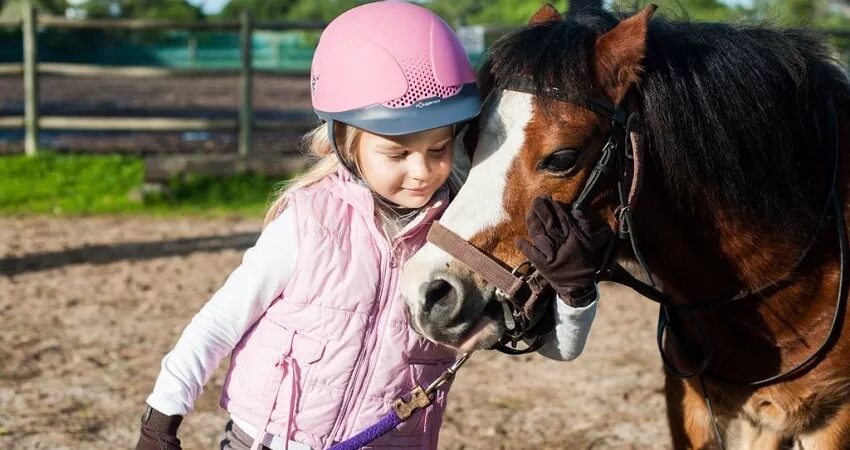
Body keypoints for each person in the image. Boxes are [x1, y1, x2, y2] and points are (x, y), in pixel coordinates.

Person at [134, 2, 609, 449]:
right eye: (398, 153)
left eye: (439, 149)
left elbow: (558, 350)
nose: (423, 171)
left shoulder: (460, 242)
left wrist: (575, 293)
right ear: (347, 142)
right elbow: (218, 324)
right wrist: (161, 419)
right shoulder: (309, 222)